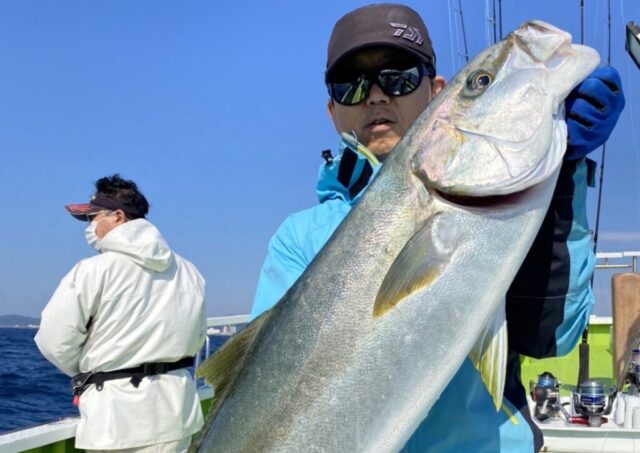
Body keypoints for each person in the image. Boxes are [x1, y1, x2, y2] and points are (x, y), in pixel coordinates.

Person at [250, 3, 625, 452]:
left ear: (436, 92)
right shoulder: (298, 238)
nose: (375, 96)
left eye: (399, 76)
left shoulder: (517, 209)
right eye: (351, 85)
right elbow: (259, 385)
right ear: (332, 111)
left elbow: (552, 336)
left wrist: (565, 175)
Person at [35, 174, 207, 453]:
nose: (90, 227)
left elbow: (53, 340)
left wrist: (93, 372)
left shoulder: (93, 270)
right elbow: (197, 337)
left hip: (116, 420)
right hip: (177, 414)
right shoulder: (189, 272)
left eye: (92, 217)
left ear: (117, 216)